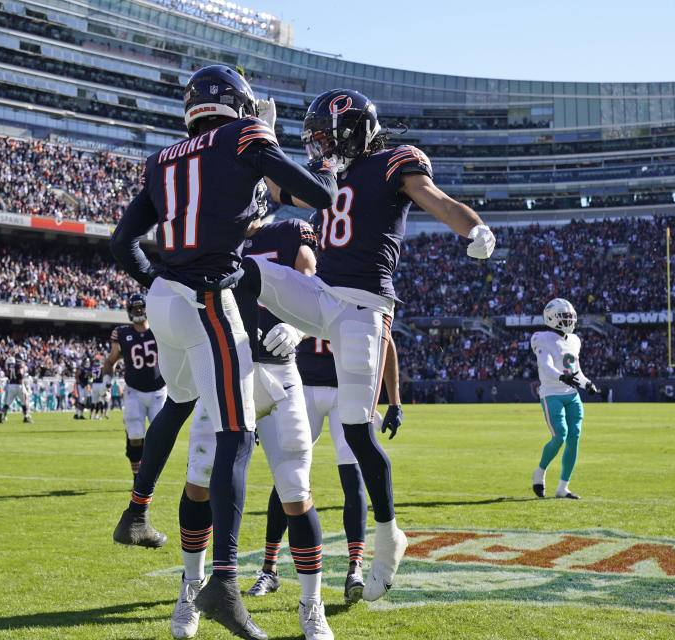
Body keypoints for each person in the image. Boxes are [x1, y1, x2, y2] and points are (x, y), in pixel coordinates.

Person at [110, 64, 336, 640]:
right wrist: (282, 151)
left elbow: (122, 240)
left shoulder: (163, 157)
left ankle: (137, 510)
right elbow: (321, 196)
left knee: (180, 401)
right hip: (207, 300)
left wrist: (159, 280)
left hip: (163, 300)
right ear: (240, 104)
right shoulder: (246, 136)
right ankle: (225, 582)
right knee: (237, 434)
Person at [245, 88, 495, 601]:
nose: (319, 149)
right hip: (321, 295)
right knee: (242, 268)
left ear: (354, 128)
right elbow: (275, 185)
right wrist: (261, 133)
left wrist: (474, 229)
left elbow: (439, 201)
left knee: (358, 431)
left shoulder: (392, 163)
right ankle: (243, 374)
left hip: (364, 308)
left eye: (325, 137)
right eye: (313, 141)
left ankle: (388, 534)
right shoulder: (328, 177)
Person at [180, 212, 335, 639]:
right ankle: (190, 590)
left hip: (279, 373)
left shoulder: (286, 232)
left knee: (295, 490)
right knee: (199, 479)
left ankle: (311, 604)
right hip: (224, 370)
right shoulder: (210, 233)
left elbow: (313, 285)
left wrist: (300, 328)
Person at [246, 335, 400, 605]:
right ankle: (269, 568)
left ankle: (355, 569)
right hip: (302, 387)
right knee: (287, 477)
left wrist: (395, 400)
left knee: (352, 477)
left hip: (346, 390)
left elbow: (385, 339)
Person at [530, 298, 599, 500]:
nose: (568, 320)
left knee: (574, 438)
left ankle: (563, 488)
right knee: (560, 435)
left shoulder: (574, 340)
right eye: (564, 316)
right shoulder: (542, 338)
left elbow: (576, 371)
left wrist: (587, 384)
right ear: (551, 317)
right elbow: (546, 364)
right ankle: (540, 472)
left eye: (570, 316)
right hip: (552, 393)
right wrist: (562, 377)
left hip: (572, 395)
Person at [103, 293, 167, 478]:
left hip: (159, 391)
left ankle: (150, 472)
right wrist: (107, 382)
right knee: (135, 435)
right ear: (129, 312)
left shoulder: (159, 329)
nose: (139, 310)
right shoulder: (122, 333)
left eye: (141, 306)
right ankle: (137, 478)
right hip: (134, 391)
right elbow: (111, 360)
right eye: (135, 308)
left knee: (160, 438)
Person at [0, 355, 34, 424]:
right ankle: (26, 417)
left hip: (11, 385)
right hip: (18, 385)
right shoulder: (19, 365)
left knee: (7, 403)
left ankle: (0, 415)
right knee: (24, 402)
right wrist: (22, 384)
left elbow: (7, 374)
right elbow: (20, 375)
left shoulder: (10, 366)